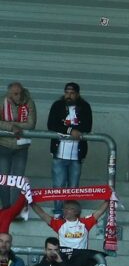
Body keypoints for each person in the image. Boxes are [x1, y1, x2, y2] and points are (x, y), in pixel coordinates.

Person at [45, 82, 92, 213]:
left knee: (73, 186)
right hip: (59, 153)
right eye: (66, 92)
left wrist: (72, 130)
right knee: (58, 185)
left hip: (77, 154)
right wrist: (70, 130)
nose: (68, 95)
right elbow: (52, 125)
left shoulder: (85, 107)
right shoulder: (57, 105)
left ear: (77, 94)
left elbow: (87, 127)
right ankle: (59, 212)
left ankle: (71, 214)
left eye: (72, 93)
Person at [0, 81, 37, 208]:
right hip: (4, 145)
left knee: (18, 179)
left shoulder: (29, 102)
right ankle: (5, 207)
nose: (19, 96)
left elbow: (31, 124)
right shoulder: (1, 102)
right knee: (3, 179)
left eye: (20, 93)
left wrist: (13, 126)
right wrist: (11, 127)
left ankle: (15, 208)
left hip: (22, 147)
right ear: (9, 94)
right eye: (15, 94)